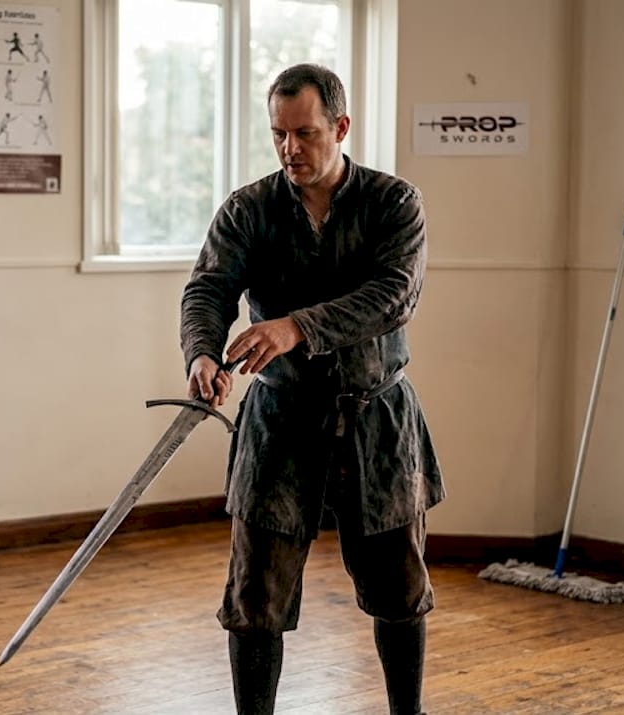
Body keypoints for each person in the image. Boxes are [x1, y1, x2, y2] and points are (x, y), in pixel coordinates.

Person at [180, 63, 444, 715]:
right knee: (253, 595)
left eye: (305, 133)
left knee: (399, 587)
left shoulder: (394, 202)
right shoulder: (248, 208)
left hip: (378, 416)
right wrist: (203, 352)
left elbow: (394, 295)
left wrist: (299, 326)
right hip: (278, 416)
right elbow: (208, 288)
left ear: (341, 126)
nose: (290, 149)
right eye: (278, 135)